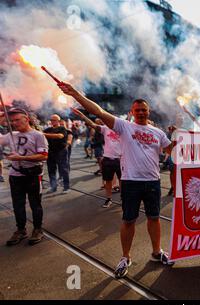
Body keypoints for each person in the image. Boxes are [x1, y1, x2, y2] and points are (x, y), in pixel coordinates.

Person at [58, 82, 175, 279]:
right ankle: (125, 257)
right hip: (130, 181)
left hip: (153, 181)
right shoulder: (124, 126)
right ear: (132, 111)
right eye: (137, 110)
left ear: (149, 111)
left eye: (144, 110)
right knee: (129, 220)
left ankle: (157, 252)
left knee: (154, 218)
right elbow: (99, 111)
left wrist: (184, 141)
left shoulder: (159, 133)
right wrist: (76, 94)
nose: (141, 113)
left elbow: (171, 150)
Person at [0, 108, 48, 245]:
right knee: (18, 205)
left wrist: (20, 157)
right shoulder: (10, 135)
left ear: (26, 119)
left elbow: (44, 156)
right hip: (15, 175)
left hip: (33, 175)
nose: (14, 123)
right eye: (12, 120)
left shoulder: (38, 135)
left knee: (35, 204)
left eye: (17, 120)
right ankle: (21, 230)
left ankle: (38, 229)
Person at [72, 108, 121, 208]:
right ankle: (108, 199)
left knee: (122, 180)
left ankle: (123, 198)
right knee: (108, 181)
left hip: (120, 159)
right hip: (107, 159)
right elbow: (92, 124)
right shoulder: (105, 128)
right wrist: (82, 116)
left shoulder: (122, 129)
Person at [43, 114, 70, 193]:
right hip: (51, 152)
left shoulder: (62, 128)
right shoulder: (47, 129)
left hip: (61, 151)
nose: (52, 121)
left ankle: (66, 187)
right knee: (51, 170)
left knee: (63, 169)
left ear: (58, 121)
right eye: (51, 120)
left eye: (54, 120)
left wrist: (44, 134)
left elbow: (59, 136)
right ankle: (53, 187)